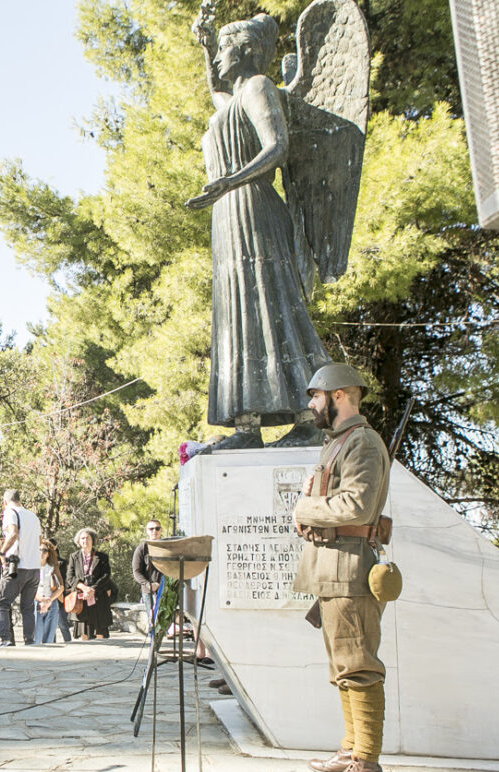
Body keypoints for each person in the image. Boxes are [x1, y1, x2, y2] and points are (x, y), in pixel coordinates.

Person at [186, 10, 330, 449]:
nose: (220, 61)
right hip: (228, 214)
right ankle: (247, 425)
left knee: (272, 302)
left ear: (246, 51)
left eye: (226, 50)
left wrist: (231, 180)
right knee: (238, 313)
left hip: (253, 207)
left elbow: (278, 146)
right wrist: (207, 42)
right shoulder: (232, 98)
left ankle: (307, 417)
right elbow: (216, 90)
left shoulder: (258, 87)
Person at [292, 363, 392, 772]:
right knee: (342, 668)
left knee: (359, 667)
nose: (312, 404)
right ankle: (352, 749)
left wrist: (304, 508)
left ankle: (366, 766)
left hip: (350, 569)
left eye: (316, 396)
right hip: (332, 567)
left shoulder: (363, 443)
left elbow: (356, 506)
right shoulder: (339, 443)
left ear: (338, 396)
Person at [0, 489, 42, 647]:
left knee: (1, 603)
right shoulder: (33, 516)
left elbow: (13, 533)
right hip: (34, 568)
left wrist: (2, 551)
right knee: (27, 607)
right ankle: (30, 640)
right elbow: (39, 541)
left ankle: (6, 639)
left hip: (17, 566)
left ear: (5, 502)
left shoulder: (10, 512)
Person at [66, 528, 112, 640]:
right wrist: (83, 587)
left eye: (87, 538)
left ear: (93, 540)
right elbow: (69, 577)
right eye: (82, 538)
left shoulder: (102, 557)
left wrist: (93, 589)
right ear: (79, 541)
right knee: (84, 632)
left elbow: (106, 576)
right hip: (81, 599)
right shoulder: (74, 556)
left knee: (99, 631)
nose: (85, 540)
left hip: (98, 598)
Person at [33, 541, 64, 644]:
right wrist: (40, 599)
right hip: (36, 604)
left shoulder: (53, 567)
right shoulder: (31, 567)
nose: (42, 552)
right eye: (39, 550)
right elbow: (25, 588)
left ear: (49, 553)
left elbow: (61, 587)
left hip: (52, 604)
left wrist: (49, 600)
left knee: (49, 640)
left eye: (45, 550)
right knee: (36, 639)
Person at [132, 520, 165, 619]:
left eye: (157, 528)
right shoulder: (142, 548)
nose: (154, 531)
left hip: (165, 589)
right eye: (151, 529)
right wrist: (148, 585)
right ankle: (152, 634)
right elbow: (136, 571)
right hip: (148, 591)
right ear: (147, 531)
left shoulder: (166, 546)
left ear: (161, 530)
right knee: (152, 619)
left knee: (165, 619)